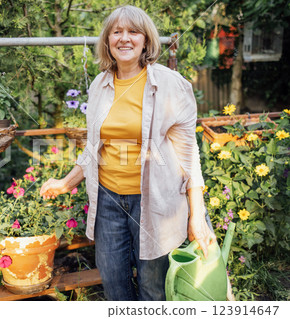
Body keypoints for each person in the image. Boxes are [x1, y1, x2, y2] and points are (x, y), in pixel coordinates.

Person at [40, 5, 216, 301]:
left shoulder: (171, 85)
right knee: (113, 285)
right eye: (116, 32)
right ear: (107, 41)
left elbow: (189, 158)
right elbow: (94, 149)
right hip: (108, 202)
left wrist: (196, 216)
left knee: (152, 288)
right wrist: (65, 182)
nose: (124, 38)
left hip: (155, 204)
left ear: (146, 40)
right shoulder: (100, 85)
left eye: (133, 32)